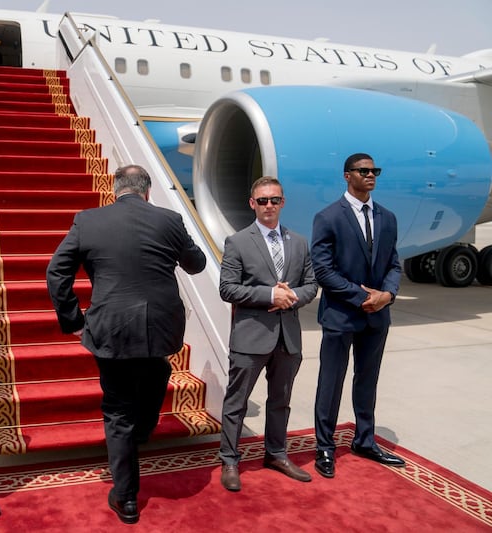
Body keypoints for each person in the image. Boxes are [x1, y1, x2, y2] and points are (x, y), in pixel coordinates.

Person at [46, 165, 206, 524]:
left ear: (114, 189)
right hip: (159, 325)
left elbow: (56, 272)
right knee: (157, 370)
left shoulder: (88, 220)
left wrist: (73, 320)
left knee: (118, 410)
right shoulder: (169, 219)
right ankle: (144, 428)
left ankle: (126, 497)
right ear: (147, 191)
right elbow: (196, 265)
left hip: (112, 326)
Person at [217, 177, 318, 492]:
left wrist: (292, 297)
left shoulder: (299, 242)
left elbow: (311, 284)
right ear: (252, 204)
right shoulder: (237, 242)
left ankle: (276, 453)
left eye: (274, 200)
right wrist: (269, 295)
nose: (269, 206)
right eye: (262, 201)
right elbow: (228, 288)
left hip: (287, 338)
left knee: (280, 401)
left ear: (283, 202)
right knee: (237, 402)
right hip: (251, 337)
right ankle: (230, 460)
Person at [311, 153, 405, 479]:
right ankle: (324, 446)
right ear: (347, 176)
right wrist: (361, 296)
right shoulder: (328, 217)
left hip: (377, 318)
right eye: (364, 171)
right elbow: (323, 269)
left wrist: (387, 296)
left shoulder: (388, 218)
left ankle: (364, 440)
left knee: (367, 382)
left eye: (374, 170)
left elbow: (394, 263)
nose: (371, 175)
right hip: (340, 316)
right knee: (331, 383)